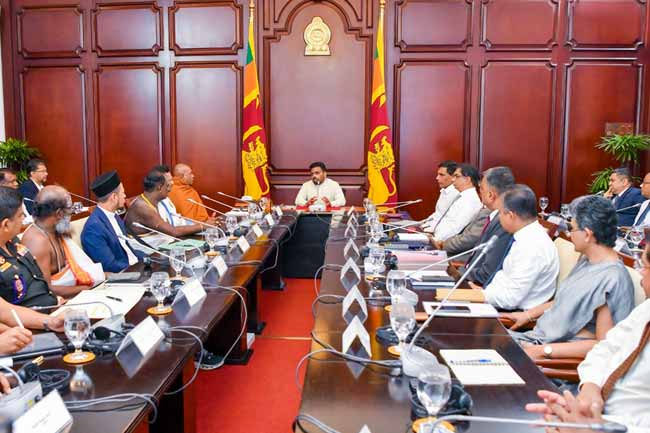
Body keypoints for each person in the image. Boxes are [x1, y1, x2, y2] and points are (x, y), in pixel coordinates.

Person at [526, 242, 650, 433]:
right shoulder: (645, 310)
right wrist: (589, 391)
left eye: (645, 267)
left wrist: (598, 429)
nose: (640, 274)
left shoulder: (613, 276)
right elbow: (606, 348)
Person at [504, 195, 635, 361]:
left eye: (571, 227)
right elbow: (567, 301)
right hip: (533, 340)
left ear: (587, 234)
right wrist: (528, 315)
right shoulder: (587, 260)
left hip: (549, 358)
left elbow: (603, 345)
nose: (568, 232)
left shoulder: (613, 279)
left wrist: (542, 350)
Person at [468, 185, 559, 311]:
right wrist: (484, 292)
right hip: (495, 299)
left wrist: (480, 295)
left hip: (509, 313)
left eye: (500, 213)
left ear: (511, 216)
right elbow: (506, 281)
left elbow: (509, 299)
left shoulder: (532, 246)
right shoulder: (526, 236)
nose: (499, 217)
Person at [22, 186, 104, 298]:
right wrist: (86, 289)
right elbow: (45, 289)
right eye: (70, 208)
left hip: (76, 292)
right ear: (59, 213)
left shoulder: (56, 229)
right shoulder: (37, 241)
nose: (71, 213)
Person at [0, 186, 57, 307]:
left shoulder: (13, 241)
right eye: (20, 215)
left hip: (52, 306)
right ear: (6, 224)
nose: (24, 218)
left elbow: (38, 279)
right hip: (30, 317)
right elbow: (5, 312)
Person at [81, 170, 145, 273]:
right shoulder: (93, 228)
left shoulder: (115, 216)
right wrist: (137, 269)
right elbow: (109, 265)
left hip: (135, 267)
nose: (125, 196)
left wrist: (148, 259)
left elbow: (127, 249)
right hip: (125, 275)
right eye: (123, 193)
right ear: (114, 197)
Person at [463, 167, 516, 285]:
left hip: (475, 285)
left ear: (491, 195)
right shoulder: (496, 215)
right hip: (468, 275)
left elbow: (487, 273)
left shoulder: (505, 223)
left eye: (481, 188)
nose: (479, 192)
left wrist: (459, 275)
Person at [124, 168, 207, 240]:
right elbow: (173, 231)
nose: (170, 189)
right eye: (168, 186)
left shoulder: (152, 201)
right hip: (143, 249)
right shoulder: (143, 207)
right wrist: (204, 226)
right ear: (159, 187)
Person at [428, 163, 482, 241]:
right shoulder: (462, 196)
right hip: (436, 237)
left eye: (457, 176)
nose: (453, 180)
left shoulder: (470, 201)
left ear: (467, 179)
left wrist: (434, 239)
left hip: (442, 242)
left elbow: (455, 228)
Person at [421, 161, 459, 232]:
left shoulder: (456, 194)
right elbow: (438, 214)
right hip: (431, 228)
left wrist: (426, 229)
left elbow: (447, 221)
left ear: (453, 177)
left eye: (441, 175)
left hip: (439, 232)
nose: (437, 178)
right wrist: (422, 223)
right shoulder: (444, 190)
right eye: (438, 174)